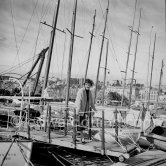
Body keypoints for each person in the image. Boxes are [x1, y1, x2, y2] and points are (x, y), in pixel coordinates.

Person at [75, 79, 97, 143]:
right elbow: (79, 101)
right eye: (87, 84)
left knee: (81, 124)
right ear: (84, 84)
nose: (88, 86)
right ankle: (82, 138)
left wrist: (95, 109)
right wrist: (77, 111)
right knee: (80, 124)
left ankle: (74, 136)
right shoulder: (81, 91)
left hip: (84, 111)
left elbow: (91, 102)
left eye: (89, 85)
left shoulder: (89, 92)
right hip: (80, 110)